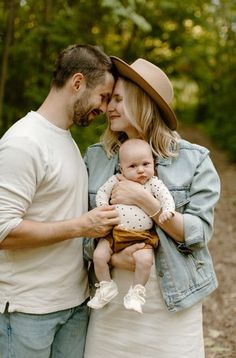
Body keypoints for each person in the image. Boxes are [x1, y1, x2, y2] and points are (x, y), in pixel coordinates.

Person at [83, 56, 221, 357]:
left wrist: (148, 203)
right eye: (109, 99)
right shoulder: (96, 158)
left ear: (142, 102)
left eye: (118, 99)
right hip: (112, 305)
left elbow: (198, 234)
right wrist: (118, 260)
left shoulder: (194, 160)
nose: (109, 108)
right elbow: (82, 233)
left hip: (172, 305)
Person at [0, 44, 120, 358]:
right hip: (28, 311)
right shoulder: (23, 142)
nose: (105, 108)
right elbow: (3, 231)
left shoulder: (64, 139)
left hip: (73, 306)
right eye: (103, 96)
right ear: (77, 83)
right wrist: (81, 226)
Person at [87, 138, 175, 313]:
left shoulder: (153, 183)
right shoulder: (117, 180)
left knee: (145, 260)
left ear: (154, 164)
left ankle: (137, 292)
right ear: (122, 168)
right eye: (133, 166)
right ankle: (105, 286)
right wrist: (104, 206)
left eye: (145, 164)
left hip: (142, 235)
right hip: (114, 232)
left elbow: (166, 198)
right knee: (99, 255)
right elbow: (102, 192)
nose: (141, 170)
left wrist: (168, 211)